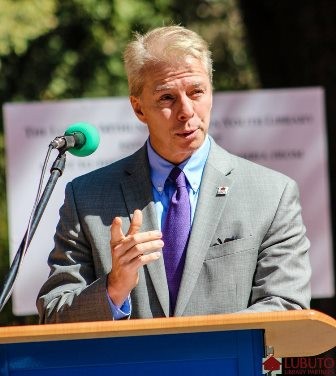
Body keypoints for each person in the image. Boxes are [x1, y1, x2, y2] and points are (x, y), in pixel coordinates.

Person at [37, 25, 311, 323]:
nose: (186, 111)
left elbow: (286, 306)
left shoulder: (272, 194)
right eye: (167, 98)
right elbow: (53, 315)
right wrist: (114, 289)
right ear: (139, 108)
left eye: (196, 92)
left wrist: (199, 347)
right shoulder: (87, 198)